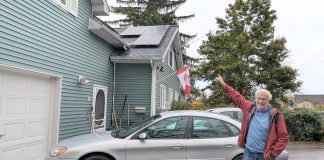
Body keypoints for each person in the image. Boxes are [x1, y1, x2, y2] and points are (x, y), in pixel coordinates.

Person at [214, 74, 288, 160]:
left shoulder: (276, 115)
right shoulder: (249, 108)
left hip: (265, 155)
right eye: (259, 98)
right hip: (249, 152)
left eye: (264, 99)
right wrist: (223, 84)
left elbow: (283, 137)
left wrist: (273, 154)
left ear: (268, 100)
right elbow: (236, 96)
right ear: (255, 99)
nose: (260, 101)